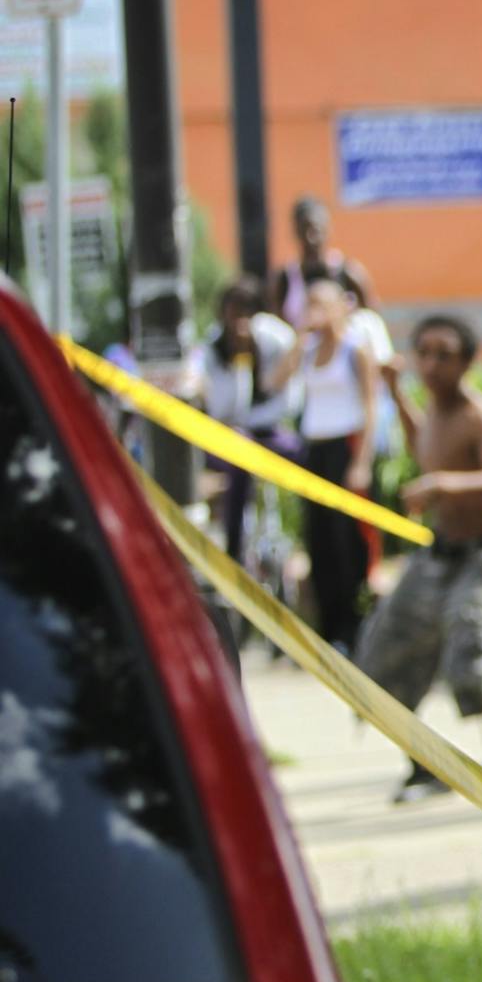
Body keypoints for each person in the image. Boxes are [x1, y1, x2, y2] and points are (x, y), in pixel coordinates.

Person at [359, 314, 482, 805]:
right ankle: (426, 762)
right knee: (380, 662)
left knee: (469, 663)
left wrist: (446, 485)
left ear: (467, 361)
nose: (430, 364)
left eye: (443, 354)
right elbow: (422, 442)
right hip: (438, 554)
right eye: (423, 352)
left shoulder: (477, 415)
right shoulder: (433, 409)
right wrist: (396, 394)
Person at [265, 278, 381, 656]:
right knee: (319, 541)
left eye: (320, 303)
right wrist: (300, 338)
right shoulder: (309, 349)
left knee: (346, 541)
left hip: (346, 449)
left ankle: (355, 627)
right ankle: (330, 630)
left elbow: (369, 407)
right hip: (315, 450)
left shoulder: (355, 350)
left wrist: (362, 462)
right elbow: (273, 382)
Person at [191, 277, 298, 560]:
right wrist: (239, 361)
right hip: (226, 438)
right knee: (240, 462)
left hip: (263, 431)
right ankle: (234, 551)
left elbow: (284, 380)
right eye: (235, 311)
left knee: (302, 453)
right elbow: (222, 410)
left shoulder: (272, 338)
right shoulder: (212, 351)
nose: (242, 319)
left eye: (248, 311)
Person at [273, 195, 374, 328]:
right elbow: (279, 328)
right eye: (304, 230)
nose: (311, 238)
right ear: (296, 231)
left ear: (328, 229)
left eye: (316, 230)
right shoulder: (285, 280)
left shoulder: (349, 273)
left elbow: (371, 321)